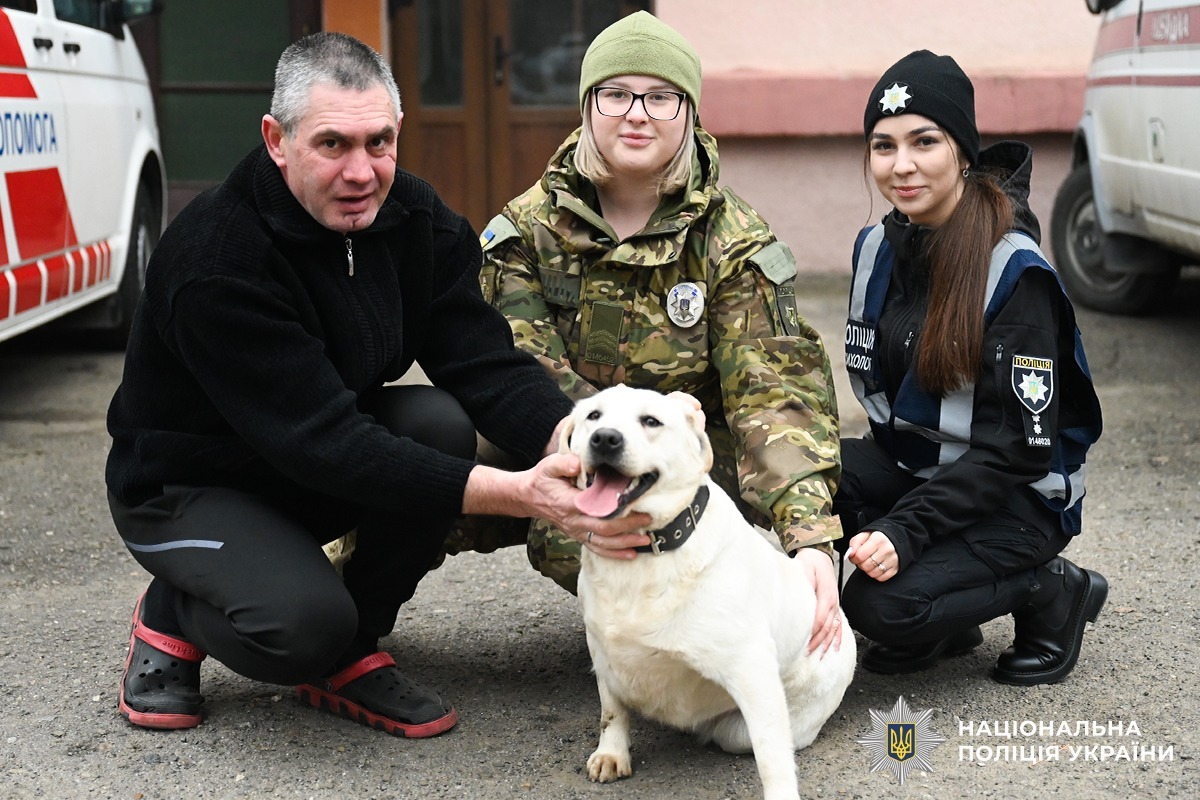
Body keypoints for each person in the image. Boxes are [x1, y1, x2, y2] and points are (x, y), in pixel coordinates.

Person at [105, 32, 653, 738]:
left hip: (304, 460)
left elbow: (485, 363)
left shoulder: (413, 221)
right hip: (188, 488)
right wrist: (522, 493)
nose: (361, 172)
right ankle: (175, 609)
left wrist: (577, 450)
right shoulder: (218, 259)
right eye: (332, 145)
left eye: (379, 143)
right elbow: (324, 442)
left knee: (438, 423)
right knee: (300, 629)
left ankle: (352, 646)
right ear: (277, 140)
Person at [458, 11, 845, 656]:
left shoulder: (733, 240)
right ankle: (338, 619)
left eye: (661, 97)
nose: (637, 115)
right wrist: (581, 474)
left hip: (689, 456)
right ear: (588, 107)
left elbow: (773, 396)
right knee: (434, 451)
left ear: (688, 113)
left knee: (828, 495)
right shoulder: (527, 231)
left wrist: (810, 542)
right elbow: (517, 376)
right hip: (559, 443)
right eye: (616, 94)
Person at [835, 50, 1107, 685]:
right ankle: (946, 623)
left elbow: (1016, 453)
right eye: (883, 146)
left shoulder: (1014, 271)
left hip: (1018, 497)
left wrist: (906, 531)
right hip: (924, 471)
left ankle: (1051, 590)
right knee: (810, 476)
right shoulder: (876, 247)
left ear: (962, 152)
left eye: (924, 141)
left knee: (878, 606)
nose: (901, 165)